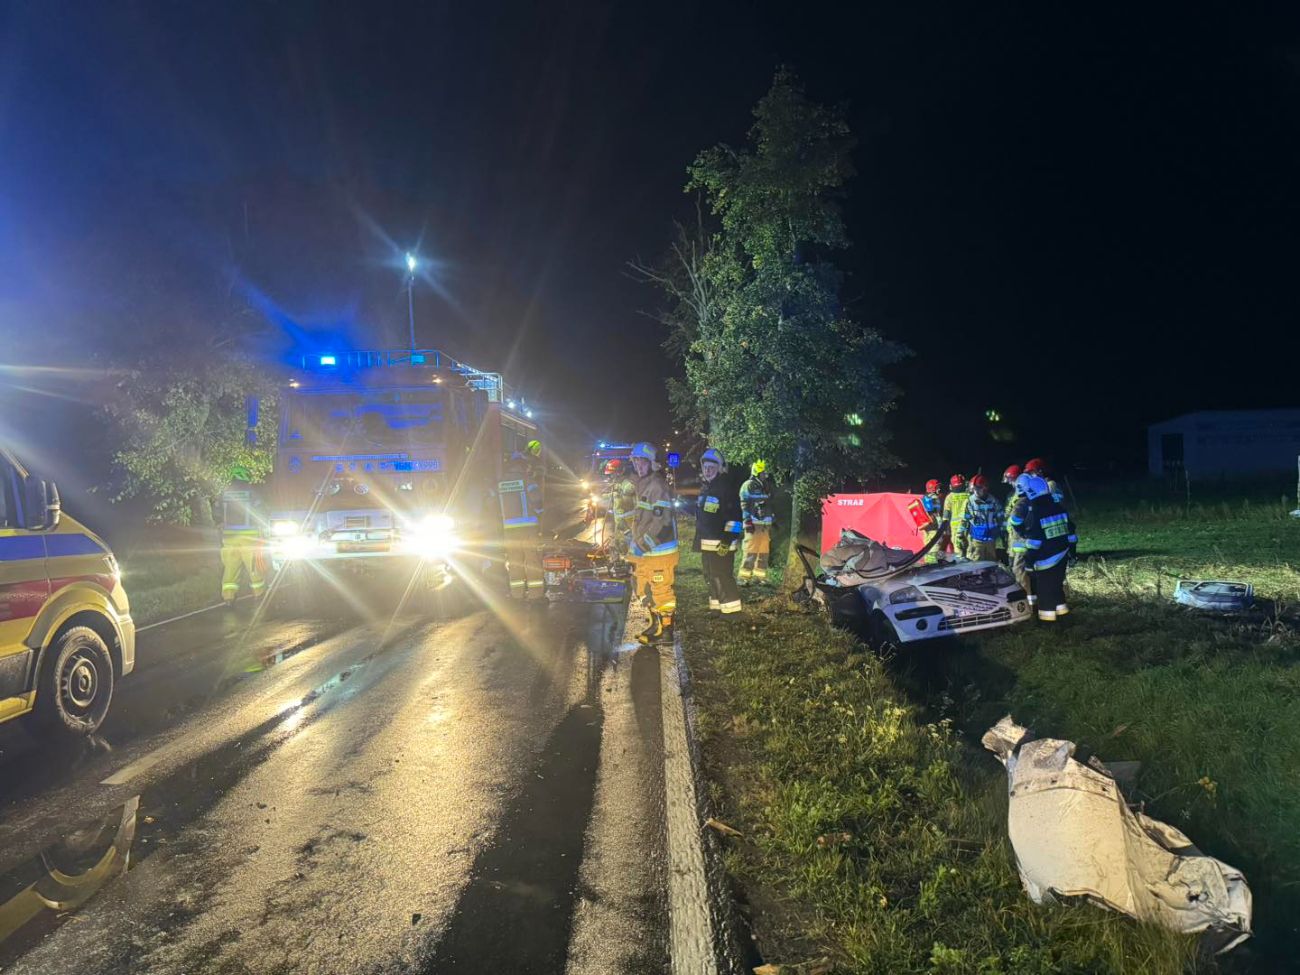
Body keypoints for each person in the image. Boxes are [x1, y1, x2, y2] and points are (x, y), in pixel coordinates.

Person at [628, 441, 678, 645]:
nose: (638, 466)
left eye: (642, 462)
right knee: (643, 588)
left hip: (660, 550)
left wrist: (644, 544)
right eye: (636, 462)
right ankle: (655, 625)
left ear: (651, 463)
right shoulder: (643, 485)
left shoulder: (657, 485)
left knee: (661, 591)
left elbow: (662, 521)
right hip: (647, 550)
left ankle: (666, 632)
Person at [1014, 472, 1078, 622]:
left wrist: (1028, 563)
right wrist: (1073, 554)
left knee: (1045, 592)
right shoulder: (1059, 507)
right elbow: (1071, 534)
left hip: (1046, 561)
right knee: (1056, 588)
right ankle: (1063, 615)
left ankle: (1047, 623)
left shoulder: (1035, 513)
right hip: (1063, 555)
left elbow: (1034, 542)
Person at [695, 447, 743, 614]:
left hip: (721, 544)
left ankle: (733, 612)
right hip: (708, 543)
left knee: (723, 576)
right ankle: (716, 607)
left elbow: (735, 518)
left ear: (720, 468)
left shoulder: (726, 489)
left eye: (712, 468)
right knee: (710, 576)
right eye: (705, 467)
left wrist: (727, 540)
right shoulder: (707, 488)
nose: (708, 471)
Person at [498, 450, 544, 600]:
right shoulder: (528, 481)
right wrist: (540, 512)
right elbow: (537, 501)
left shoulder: (501, 482)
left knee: (515, 563)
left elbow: (491, 503)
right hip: (528, 529)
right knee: (532, 561)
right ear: (523, 465)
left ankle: (516, 595)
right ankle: (536, 596)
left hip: (509, 530)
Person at [219, 480, 266, 607]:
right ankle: (259, 594)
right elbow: (261, 511)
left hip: (229, 537)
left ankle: (228, 597)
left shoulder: (224, 493)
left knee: (230, 568)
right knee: (253, 567)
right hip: (248, 537)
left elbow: (217, 513)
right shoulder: (251, 492)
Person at [738, 460, 774, 584]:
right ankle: (743, 577)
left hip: (765, 525)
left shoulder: (765, 485)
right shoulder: (748, 485)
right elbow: (744, 504)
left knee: (764, 552)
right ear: (757, 472)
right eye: (763, 472)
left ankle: (760, 577)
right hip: (753, 524)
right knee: (750, 550)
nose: (766, 475)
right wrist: (747, 520)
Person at [961, 474, 1004, 561]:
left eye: (977, 489)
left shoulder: (993, 500)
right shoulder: (970, 502)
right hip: (976, 539)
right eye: (974, 489)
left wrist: (1002, 533)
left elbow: (1001, 517)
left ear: (985, 488)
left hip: (991, 539)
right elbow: (964, 520)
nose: (975, 492)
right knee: (976, 564)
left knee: (991, 564)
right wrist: (960, 535)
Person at [1002, 465, 1030, 596]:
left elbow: (1016, 519)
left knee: (1020, 570)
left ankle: (1026, 599)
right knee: (1013, 568)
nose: (1010, 484)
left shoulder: (1022, 496)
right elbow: (1008, 514)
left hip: (1020, 538)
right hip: (1013, 538)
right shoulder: (1012, 495)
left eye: (1011, 481)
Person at [942, 474, 970, 555]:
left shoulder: (949, 497)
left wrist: (945, 529)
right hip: (969, 526)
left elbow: (946, 515)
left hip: (955, 528)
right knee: (969, 548)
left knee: (958, 550)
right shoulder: (969, 495)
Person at [920, 478, 945, 562]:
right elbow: (936, 514)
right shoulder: (935, 498)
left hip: (926, 528)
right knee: (934, 550)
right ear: (933, 488)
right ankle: (933, 566)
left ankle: (927, 565)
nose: (939, 489)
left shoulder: (923, 497)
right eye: (937, 487)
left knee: (927, 549)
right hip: (934, 528)